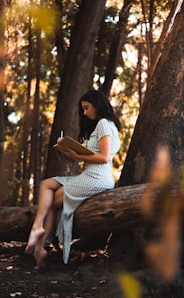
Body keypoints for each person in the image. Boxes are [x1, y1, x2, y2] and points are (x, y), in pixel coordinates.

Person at [25, 90, 121, 268]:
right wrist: (68, 148)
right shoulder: (102, 126)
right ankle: (38, 231)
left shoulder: (104, 124)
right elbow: (94, 153)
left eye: (86, 108)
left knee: (52, 200)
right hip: (89, 175)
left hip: (97, 177)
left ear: (97, 104)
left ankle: (39, 243)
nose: (84, 113)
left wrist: (77, 156)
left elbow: (104, 157)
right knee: (46, 184)